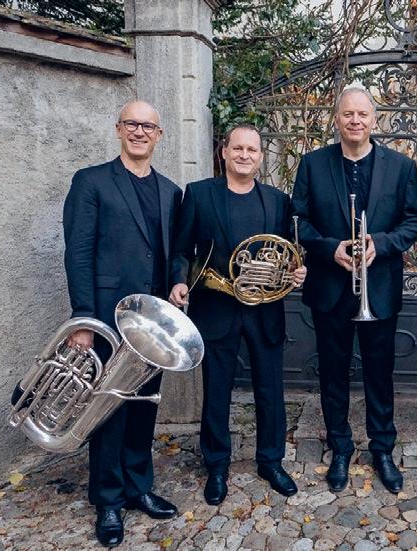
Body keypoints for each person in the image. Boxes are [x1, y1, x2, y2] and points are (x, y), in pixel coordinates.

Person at [290, 85, 417, 494]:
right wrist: (330, 248)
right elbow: (298, 220)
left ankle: (382, 448)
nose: (355, 121)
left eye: (362, 114)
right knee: (333, 373)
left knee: (379, 374)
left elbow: (413, 221)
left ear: (374, 119)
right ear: (337, 119)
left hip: (378, 286)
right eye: (348, 114)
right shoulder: (313, 164)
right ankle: (341, 447)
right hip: (330, 285)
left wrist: (380, 244)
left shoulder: (401, 167)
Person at [63, 100, 182, 547]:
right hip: (108, 317)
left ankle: (138, 487)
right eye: (131, 124)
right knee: (107, 409)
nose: (139, 131)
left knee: (144, 405)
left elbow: (174, 252)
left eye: (148, 126)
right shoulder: (91, 181)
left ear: (159, 135)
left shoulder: (171, 191)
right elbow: (78, 253)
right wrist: (83, 318)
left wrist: (178, 282)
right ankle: (108, 500)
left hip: (153, 321)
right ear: (118, 129)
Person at [169, 124, 306, 505]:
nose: (245, 155)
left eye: (252, 150)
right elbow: (181, 249)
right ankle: (216, 465)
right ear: (224, 152)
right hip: (217, 307)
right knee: (216, 391)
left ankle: (271, 461)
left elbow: (287, 254)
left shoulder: (277, 200)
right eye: (238, 148)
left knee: (270, 390)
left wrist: (295, 271)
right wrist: (179, 280)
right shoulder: (199, 194)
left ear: (260, 157)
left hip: (265, 310)